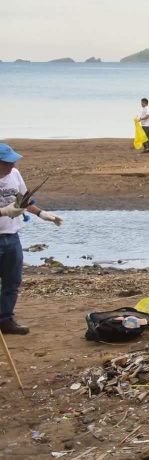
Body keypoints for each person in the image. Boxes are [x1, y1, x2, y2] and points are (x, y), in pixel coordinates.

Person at [0, 143, 63, 335]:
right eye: (7, 163)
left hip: (12, 236)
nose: (12, 166)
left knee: (12, 281)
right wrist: (3, 211)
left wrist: (41, 214)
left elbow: (24, 200)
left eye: (13, 162)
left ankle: (5, 320)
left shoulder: (14, 174)